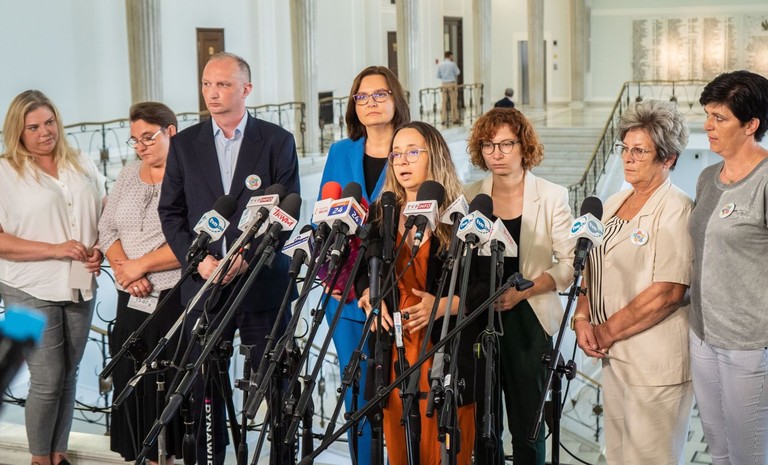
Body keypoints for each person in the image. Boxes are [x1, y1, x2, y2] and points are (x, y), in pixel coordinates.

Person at [158, 52, 300, 465]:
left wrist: (247, 257)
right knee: (205, 389)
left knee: (275, 386)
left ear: (246, 89)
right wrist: (198, 259)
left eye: (222, 84)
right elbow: (171, 212)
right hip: (204, 285)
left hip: (261, 284)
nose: (212, 93)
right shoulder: (184, 145)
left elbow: (288, 210)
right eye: (207, 84)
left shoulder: (276, 141)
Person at [573, 100, 694, 464]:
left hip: (654, 364)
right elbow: (589, 264)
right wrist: (581, 317)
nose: (627, 158)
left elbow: (668, 293)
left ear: (668, 158)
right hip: (615, 358)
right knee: (618, 457)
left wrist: (604, 332)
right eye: (624, 148)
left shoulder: (677, 209)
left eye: (639, 151)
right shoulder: (614, 201)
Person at [356, 121, 482, 465]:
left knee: (446, 452)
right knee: (401, 452)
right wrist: (367, 294)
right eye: (396, 154)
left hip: (445, 350)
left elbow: (485, 284)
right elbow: (363, 271)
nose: (402, 161)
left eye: (412, 152)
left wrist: (444, 305)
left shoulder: (462, 216)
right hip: (394, 356)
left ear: (435, 156)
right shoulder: (381, 213)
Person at [464, 107, 575, 465]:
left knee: (528, 427)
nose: (496, 153)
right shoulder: (470, 196)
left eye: (505, 144)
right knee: (484, 426)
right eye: (488, 145)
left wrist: (522, 292)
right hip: (480, 318)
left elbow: (569, 266)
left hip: (529, 318)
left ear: (523, 146)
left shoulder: (552, 195)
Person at [0, 90, 105, 465]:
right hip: (25, 286)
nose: (45, 132)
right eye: (33, 127)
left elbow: (104, 214)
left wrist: (99, 248)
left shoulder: (81, 163)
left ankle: (58, 454)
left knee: (69, 373)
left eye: (49, 122)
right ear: (17, 131)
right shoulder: (4, 173)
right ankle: (39, 459)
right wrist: (55, 248)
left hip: (79, 282)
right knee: (47, 377)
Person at [317, 65, 410, 463]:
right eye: (362, 96)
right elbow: (323, 219)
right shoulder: (341, 152)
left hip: (398, 292)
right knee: (356, 392)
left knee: (400, 393)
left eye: (379, 94)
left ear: (396, 99)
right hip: (345, 295)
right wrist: (332, 276)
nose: (370, 103)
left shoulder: (413, 145)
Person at [689, 70, 768, 465]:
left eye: (720, 118)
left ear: (751, 125)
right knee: (718, 452)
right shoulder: (707, 177)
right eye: (708, 115)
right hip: (702, 334)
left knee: (747, 455)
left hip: (747, 344)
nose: (708, 125)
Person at [98, 102, 184, 464]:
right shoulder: (128, 173)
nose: (141, 146)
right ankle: (139, 455)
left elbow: (192, 242)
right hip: (129, 296)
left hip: (171, 296)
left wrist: (140, 267)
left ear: (171, 132)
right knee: (130, 377)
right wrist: (125, 271)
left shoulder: (188, 175)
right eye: (135, 140)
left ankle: (166, 457)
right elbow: (106, 228)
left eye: (148, 137)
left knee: (165, 381)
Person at [436, 51, 461, 125]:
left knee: (444, 102)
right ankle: (454, 119)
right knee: (453, 101)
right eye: (452, 56)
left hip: (444, 84)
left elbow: (437, 75)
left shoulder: (440, 64)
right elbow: (458, 72)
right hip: (452, 83)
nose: (452, 57)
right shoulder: (452, 64)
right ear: (450, 56)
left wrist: (444, 77)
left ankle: (443, 119)